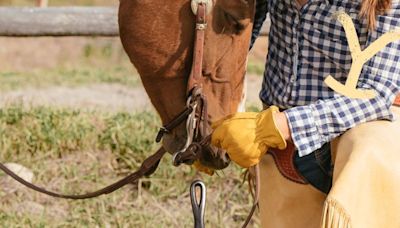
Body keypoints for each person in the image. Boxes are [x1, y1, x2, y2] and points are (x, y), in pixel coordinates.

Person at [211, 0, 400, 227]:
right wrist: (209, 122)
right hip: (286, 146)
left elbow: (377, 93)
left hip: (359, 131)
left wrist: (282, 125)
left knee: (368, 148)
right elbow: (231, 38)